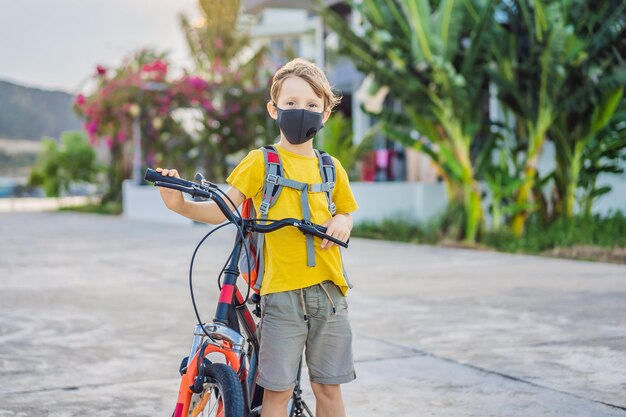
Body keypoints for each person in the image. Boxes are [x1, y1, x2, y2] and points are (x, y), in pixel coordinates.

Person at [156, 58, 358, 417]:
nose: (302, 111)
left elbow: (345, 211)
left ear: (325, 113)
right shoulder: (260, 161)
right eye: (291, 103)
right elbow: (224, 208)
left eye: (312, 105)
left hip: (329, 293)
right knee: (275, 392)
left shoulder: (331, 167)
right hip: (281, 295)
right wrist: (181, 206)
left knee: (328, 388)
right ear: (274, 109)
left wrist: (343, 221)